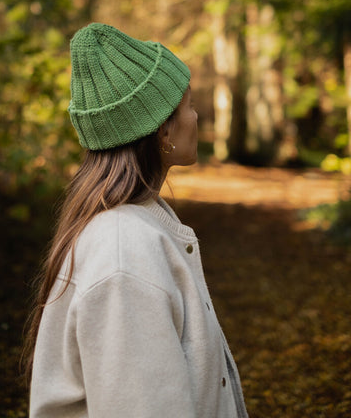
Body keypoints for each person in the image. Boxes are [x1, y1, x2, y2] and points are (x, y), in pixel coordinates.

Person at [25, 23, 249, 418]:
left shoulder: (139, 225)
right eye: (189, 106)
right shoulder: (125, 250)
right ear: (163, 128)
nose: (197, 118)